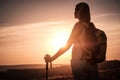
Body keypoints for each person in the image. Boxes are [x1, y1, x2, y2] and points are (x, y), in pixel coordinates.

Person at [44, 2, 107, 80]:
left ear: (81, 12)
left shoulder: (78, 26)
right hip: (92, 64)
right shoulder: (93, 28)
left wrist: (52, 59)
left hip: (79, 65)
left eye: (76, 10)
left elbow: (67, 45)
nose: (74, 12)